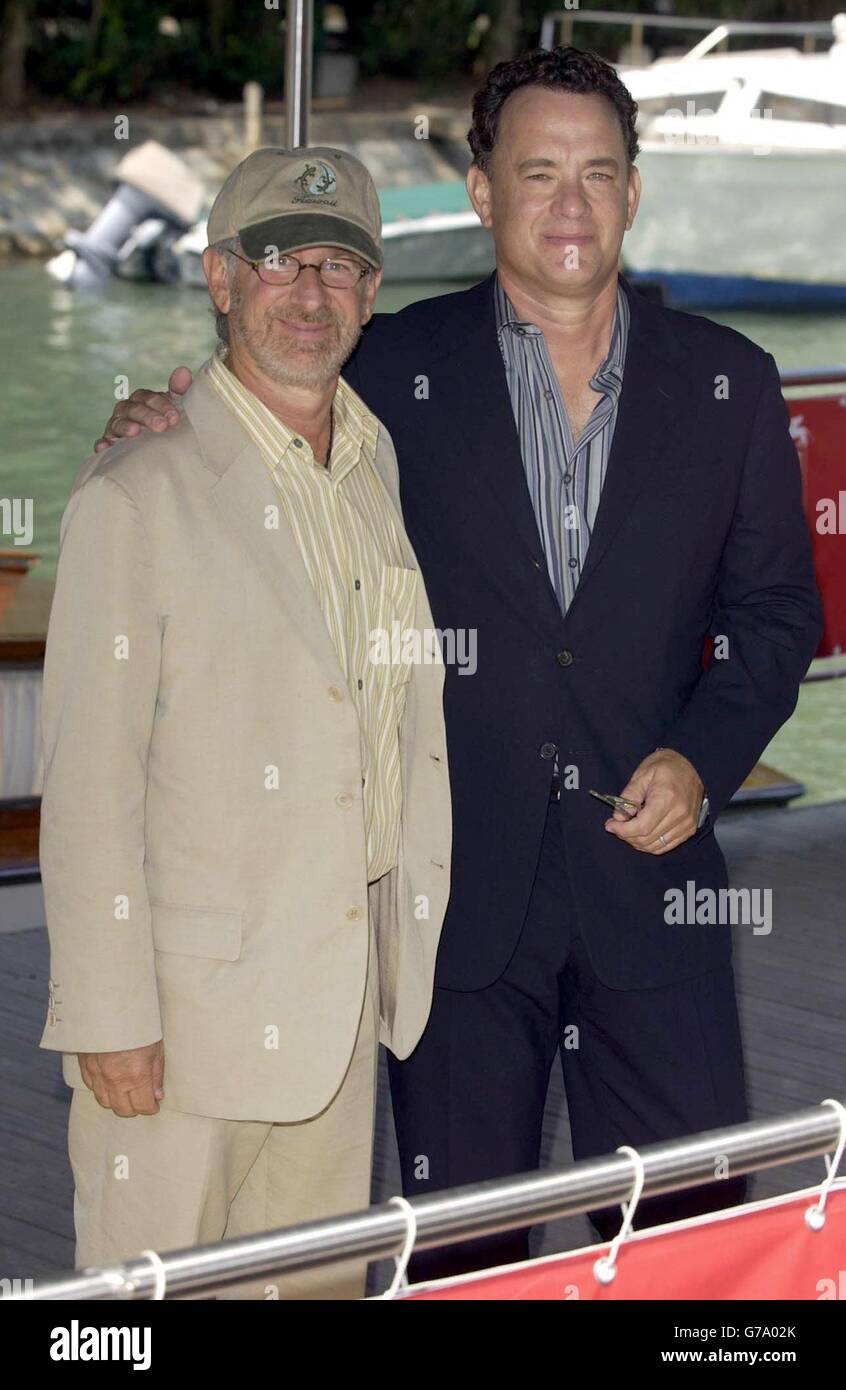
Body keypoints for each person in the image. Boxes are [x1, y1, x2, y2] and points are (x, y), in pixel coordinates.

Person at [94, 47, 822, 1282]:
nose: (571, 205)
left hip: (658, 901)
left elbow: (775, 615)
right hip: (448, 904)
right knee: (462, 1254)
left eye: (599, 173)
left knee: (699, 1251)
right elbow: (245, 418)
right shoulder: (383, 368)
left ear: (636, 192)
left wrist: (702, 762)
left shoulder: (731, 387)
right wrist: (148, 418)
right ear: (481, 190)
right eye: (538, 172)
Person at [39, 145, 451, 1298]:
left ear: (371, 297)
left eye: (338, 266)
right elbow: (85, 781)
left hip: (335, 1014)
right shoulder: (138, 489)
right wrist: (109, 1016)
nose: (309, 292)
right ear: (220, 278)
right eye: (277, 260)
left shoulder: (374, 465)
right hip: (178, 1032)